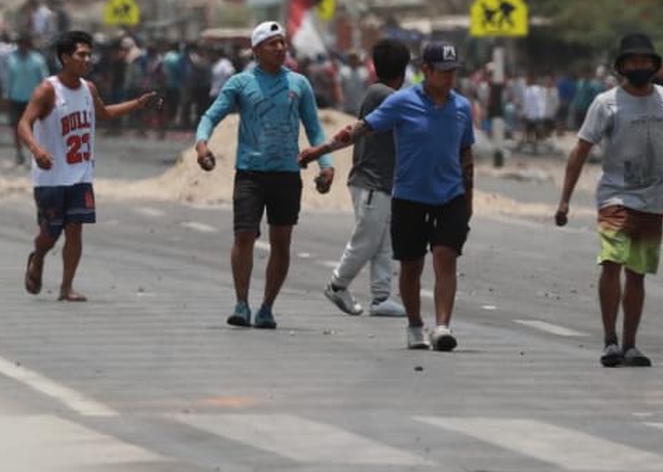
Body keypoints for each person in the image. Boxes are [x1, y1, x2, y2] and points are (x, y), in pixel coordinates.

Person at [301, 42, 475, 351]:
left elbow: (466, 155)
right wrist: (319, 151)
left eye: (453, 72)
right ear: (426, 71)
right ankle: (415, 325)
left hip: (451, 196)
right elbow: (359, 130)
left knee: (445, 258)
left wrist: (468, 199)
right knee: (411, 267)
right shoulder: (402, 102)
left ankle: (443, 327)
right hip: (409, 196)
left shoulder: (461, 107)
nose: (449, 78)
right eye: (443, 72)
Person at [554, 33, 663, 367]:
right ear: (622, 66)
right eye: (632, 61)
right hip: (616, 197)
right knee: (611, 262)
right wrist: (565, 200)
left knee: (637, 273)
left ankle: (630, 343)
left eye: (645, 61)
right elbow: (581, 149)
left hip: (653, 201)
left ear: (655, 66)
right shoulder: (606, 103)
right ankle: (610, 340)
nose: (639, 66)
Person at [194, 21, 335, 329]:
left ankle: (267, 306)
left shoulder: (299, 84)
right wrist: (202, 145)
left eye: (282, 42)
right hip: (250, 173)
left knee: (281, 243)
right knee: (244, 235)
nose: (280, 48)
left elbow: (314, 128)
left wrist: (327, 165)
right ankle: (241, 303)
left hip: (286, 175)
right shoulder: (240, 83)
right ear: (257, 50)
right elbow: (211, 116)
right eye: (272, 43)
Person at [17, 30, 159, 300]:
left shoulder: (88, 89)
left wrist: (136, 105)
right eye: (81, 54)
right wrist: (36, 150)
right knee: (50, 232)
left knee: (75, 229)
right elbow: (24, 123)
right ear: (65, 57)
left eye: (89, 54)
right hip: (51, 177)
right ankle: (38, 257)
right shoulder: (48, 90)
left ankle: (66, 286)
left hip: (81, 173)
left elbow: (103, 113)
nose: (87, 59)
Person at [320, 39, 410, 320]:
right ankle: (337, 284)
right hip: (371, 180)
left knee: (383, 241)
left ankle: (381, 296)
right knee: (367, 239)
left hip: (381, 180)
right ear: (403, 70)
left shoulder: (378, 92)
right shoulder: (385, 95)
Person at [1, 33, 48, 162]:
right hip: (15, 98)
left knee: (33, 128)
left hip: (33, 100)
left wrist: (45, 98)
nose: (22, 46)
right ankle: (19, 152)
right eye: (20, 43)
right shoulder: (11, 59)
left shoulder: (38, 60)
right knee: (16, 126)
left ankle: (35, 152)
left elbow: (44, 80)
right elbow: (8, 79)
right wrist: (6, 96)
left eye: (24, 43)